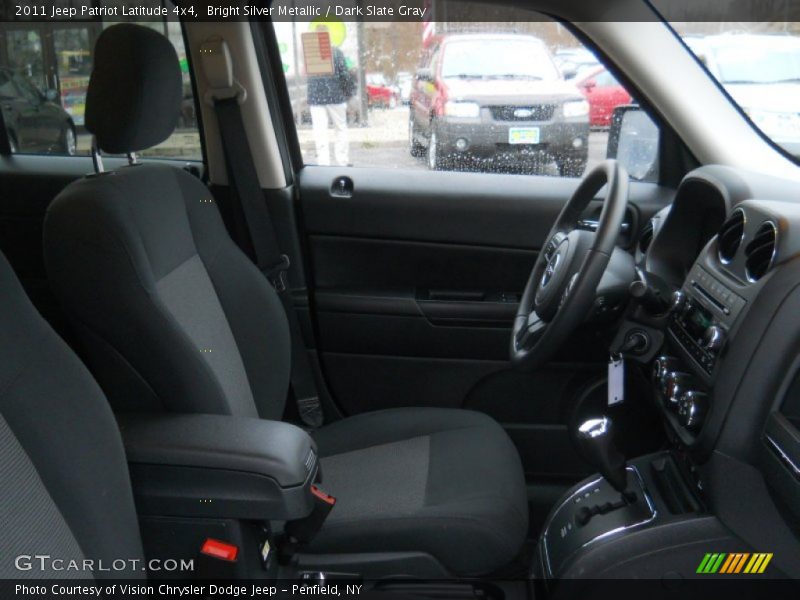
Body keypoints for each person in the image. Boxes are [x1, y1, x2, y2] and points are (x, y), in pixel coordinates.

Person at [306, 27, 354, 166]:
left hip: (316, 98)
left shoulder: (311, 56)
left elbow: (309, 77)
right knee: (340, 128)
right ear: (327, 37)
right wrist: (348, 92)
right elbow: (344, 75)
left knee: (320, 131)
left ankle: (323, 163)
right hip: (336, 97)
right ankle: (342, 161)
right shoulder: (336, 52)